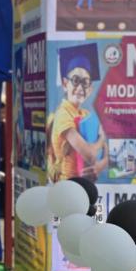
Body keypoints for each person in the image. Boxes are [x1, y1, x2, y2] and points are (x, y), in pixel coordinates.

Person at [47, 48, 108, 182]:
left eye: (85, 82)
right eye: (75, 80)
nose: (80, 88)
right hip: (68, 186)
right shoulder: (63, 115)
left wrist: (99, 166)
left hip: (84, 185)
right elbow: (90, 156)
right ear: (65, 84)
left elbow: (107, 155)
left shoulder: (86, 114)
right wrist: (102, 137)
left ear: (90, 89)